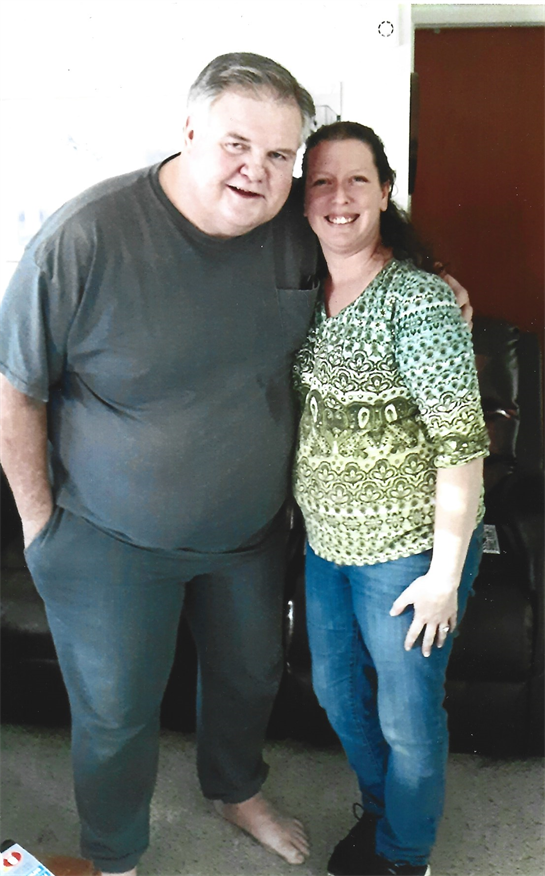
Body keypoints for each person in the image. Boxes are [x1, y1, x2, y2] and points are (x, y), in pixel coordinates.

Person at [0, 53, 472, 876]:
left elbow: (368, 252)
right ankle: (114, 856)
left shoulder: (292, 227)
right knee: (113, 713)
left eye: (282, 155)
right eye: (237, 144)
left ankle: (234, 788)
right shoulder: (85, 237)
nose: (259, 170)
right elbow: (17, 394)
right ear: (189, 132)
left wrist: (439, 283)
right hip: (109, 539)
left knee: (249, 678)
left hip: (250, 537)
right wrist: (40, 526)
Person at [292, 122, 489, 876]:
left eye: (357, 180)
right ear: (302, 198)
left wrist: (442, 577)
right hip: (325, 544)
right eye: (321, 182)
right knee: (339, 699)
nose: (339, 197)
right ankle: (382, 817)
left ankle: (405, 858)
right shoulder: (301, 284)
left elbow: (459, 445)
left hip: (406, 552)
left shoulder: (418, 300)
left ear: (384, 190)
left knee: (406, 718)